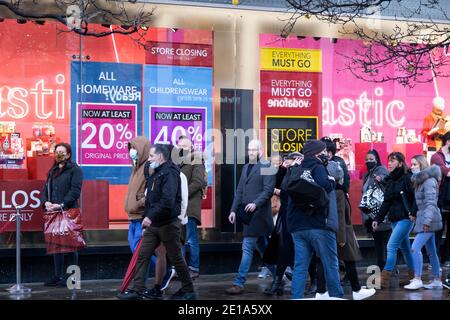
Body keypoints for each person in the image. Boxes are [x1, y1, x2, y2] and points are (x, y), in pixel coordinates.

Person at [118, 144, 195, 300]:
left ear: (160, 157)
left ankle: (188, 290)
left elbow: (167, 201)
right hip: (154, 225)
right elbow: (150, 201)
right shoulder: (156, 173)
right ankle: (138, 289)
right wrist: (146, 220)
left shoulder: (171, 174)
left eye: (152, 156)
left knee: (175, 257)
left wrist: (149, 217)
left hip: (168, 224)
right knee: (142, 254)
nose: (149, 159)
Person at [287, 139, 344, 299]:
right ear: (318, 153)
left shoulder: (296, 168)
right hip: (318, 224)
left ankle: (296, 297)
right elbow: (326, 185)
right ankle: (336, 296)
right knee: (330, 263)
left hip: (297, 226)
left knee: (300, 267)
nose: (326, 154)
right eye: (324, 151)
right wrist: (331, 180)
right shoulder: (318, 167)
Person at [225, 139, 276, 295]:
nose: (251, 152)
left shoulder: (267, 165)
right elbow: (240, 191)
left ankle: (239, 283)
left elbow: (268, 190)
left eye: (254, 150)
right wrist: (233, 210)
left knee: (247, 248)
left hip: (259, 215)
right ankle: (279, 276)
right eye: (249, 150)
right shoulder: (246, 167)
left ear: (261, 150)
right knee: (264, 249)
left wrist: (255, 203)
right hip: (248, 216)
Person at [373, 152, 416, 289]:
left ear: (400, 163)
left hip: (406, 218)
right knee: (406, 249)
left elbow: (416, 198)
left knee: (391, 246)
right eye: (389, 161)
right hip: (394, 219)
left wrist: (414, 213)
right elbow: (386, 202)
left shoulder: (408, 178)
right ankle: (413, 278)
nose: (389, 163)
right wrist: (378, 219)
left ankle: (384, 279)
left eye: (393, 160)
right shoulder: (391, 180)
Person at [42, 142, 83, 286]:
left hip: (68, 211)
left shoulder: (75, 170)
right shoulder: (52, 170)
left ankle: (73, 278)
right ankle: (57, 276)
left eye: (62, 152)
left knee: (72, 245)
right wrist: (46, 202)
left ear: (68, 155)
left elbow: (75, 191)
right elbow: (45, 188)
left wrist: (61, 204)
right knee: (56, 245)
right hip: (53, 212)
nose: (58, 154)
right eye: (56, 151)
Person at [263, 152, 302, 296]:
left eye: (289, 160)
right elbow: (277, 183)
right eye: (286, 160)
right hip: (285, 216)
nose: (287, 162)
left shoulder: (300, 172)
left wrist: (281, 192)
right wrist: (282, 169)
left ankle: (314, 281)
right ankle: (277, 282)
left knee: (296, 250)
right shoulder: (287, 171)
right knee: (284, 249)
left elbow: (291, 191)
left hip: (297, 217)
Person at [404, 155, 443, 290]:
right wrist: (416, 216)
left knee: (415, 248)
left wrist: (426, 221)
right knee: (431, 251)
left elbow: (431, 203)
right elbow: (421, 203)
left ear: (421, 164)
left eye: (415, 164)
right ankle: (437, 279)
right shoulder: (421, 181)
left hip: (429, 220)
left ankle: (417, 278)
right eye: (411, 164)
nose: (412, 167)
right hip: (425, 219)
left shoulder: (428, 181)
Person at [176, 136, 206, 279]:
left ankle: (194, 268)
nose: (181, 147)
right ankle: (180, 269)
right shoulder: (177, 161)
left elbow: (198, 182)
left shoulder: (196, 159)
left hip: (190, 206)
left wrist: (182, 193)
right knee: (179, 239)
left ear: (191, 146)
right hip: (179, 207)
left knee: (191, 239)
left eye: (184, 145)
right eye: (179, 145)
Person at [361, 150, 391, 270]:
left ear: (377, 160)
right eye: (367, 159)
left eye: (371, 159)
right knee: (379, 241)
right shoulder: (367, 174)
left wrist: (381, 179)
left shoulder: (380, 170)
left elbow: (386, 180)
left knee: (385, 241)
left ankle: (389, 267)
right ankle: (384, 266)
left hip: (380, 211)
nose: (368, 161)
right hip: (371, 212)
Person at [430, 131, 450, 268]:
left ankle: (447, 258)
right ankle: (435, 260)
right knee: (437, 230)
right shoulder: (437, 157)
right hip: (440, 198)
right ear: (448, 142)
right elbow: (447, 172)